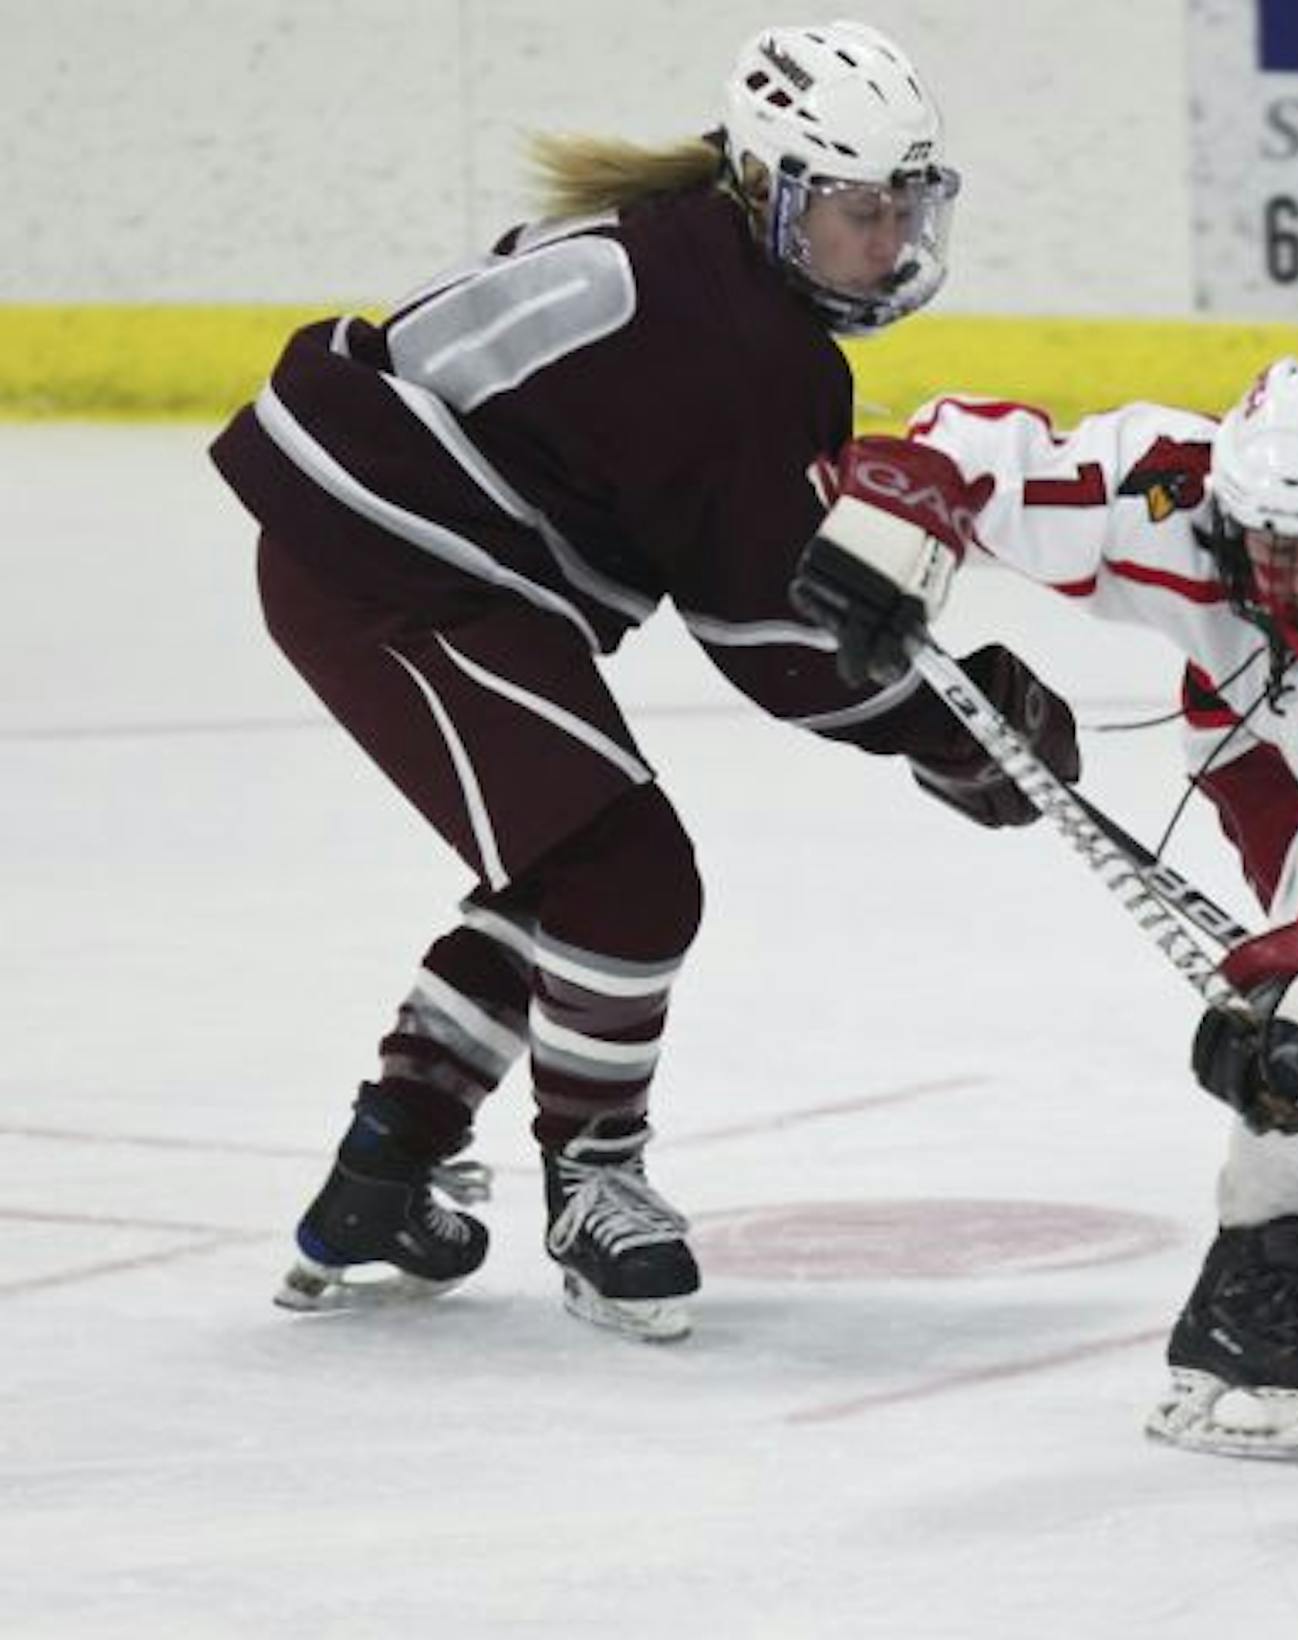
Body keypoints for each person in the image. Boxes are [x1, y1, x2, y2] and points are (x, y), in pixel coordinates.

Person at [208, 19, 1080, 1343]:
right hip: (389, 570)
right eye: (856, 211)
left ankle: (383, 1173)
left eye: (905, 206)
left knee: (572, 871)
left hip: (417, 557)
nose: (890, 241)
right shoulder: (734, 341)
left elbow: (769, 591)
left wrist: (936, 705)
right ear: (770, 193)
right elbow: (773, 643)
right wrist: (953, 729)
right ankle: (593, 1177)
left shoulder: (700, 259)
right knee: (632, 875)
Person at [792, 357, 1298, 1451]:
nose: (1297, 582)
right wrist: (890, 524)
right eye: (1275, 549)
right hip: (1253, 719)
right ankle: (1250, 1294)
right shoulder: (1176, 488)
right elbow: (966, 459)